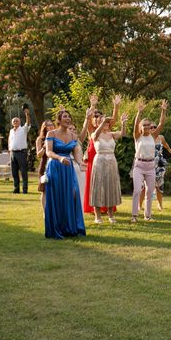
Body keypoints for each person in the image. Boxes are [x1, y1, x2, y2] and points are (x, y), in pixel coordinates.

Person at [44, 110, 86, 239]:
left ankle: (71, 228)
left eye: (69, 116)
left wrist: (80, 162)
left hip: (68, 169)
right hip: (55, 167)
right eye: (65, 116)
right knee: (57, 197)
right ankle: (57, 229)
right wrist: (59, 158)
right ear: (59, 120)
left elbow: (77, 152)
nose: (68, 119)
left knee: (72, 195)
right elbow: (48, 152)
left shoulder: (73, 136)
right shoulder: (52, 133)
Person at [83, 94, 120, 215]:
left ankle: (107, 208)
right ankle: (93, 208)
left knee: (107, 182)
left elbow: (113, 119)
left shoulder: (107, 129)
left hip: (107, 157)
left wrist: (116, 106)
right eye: (96, 117)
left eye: (100, 117)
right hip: (94, 157)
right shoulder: (92, 130)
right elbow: (88, 120)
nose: (98, 118)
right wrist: (92, 105)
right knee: (94, 183)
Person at [131, 100, 168, 222]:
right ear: (141, 127)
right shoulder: (137, 136)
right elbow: (136, 124)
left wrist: (163, 110)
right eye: (144, 125)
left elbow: (161, 123)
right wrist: (139, 112)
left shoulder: (153, 136)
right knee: (137, 190)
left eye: (148, 125)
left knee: (149, 192)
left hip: (151, 166)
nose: (147, 126)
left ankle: (148, 216)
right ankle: (134, 216)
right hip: (139, 165)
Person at [90, 113, 128, 224]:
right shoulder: (94, 134)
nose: (106, 124)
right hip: (99, 162)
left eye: (107, 122)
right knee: (98, 187)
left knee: (111, 187)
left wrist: (123, 123)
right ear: (98, 123)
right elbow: (95, 134)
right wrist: (103, 122)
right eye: (103, 122)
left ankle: (111, 215)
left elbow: (123, 133)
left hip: (112, 161)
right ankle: (97, 216)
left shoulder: (111, 134)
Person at [139, 123, 171, 211]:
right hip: (147, 164)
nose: (153, 128)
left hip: (159, 164)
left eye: (155, 127)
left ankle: (160, 204)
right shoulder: (145, 138)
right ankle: (140, 205)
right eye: (151, 127)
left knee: (159, 185)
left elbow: (165, 144)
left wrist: (169, 149)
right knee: (143, 186)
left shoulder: (161, 137)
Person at [8, 107, 31, 194]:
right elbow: (9, 141)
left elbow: (28, 122)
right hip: (13, 153)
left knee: (23, 172)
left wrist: (27, 114)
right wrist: (9, 150)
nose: (15, 122)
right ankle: (16, 189)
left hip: (21, 152)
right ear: (12, 123)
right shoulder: (11, 131)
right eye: (14, 121)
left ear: (20, 122)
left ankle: (25, 189)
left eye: (17, 121)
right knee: (14, 172)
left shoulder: (23, 129)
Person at [36, 120, 55, 213]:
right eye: (48, 126)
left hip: (55, 165)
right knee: (44, 191)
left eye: (52, 125)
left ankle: (54, 211)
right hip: (44, 166)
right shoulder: (40, 139)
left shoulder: (56, 137)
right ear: (44, 128)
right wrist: (44, 146)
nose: (51, 127)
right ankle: (45, 212)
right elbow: (39, 155)